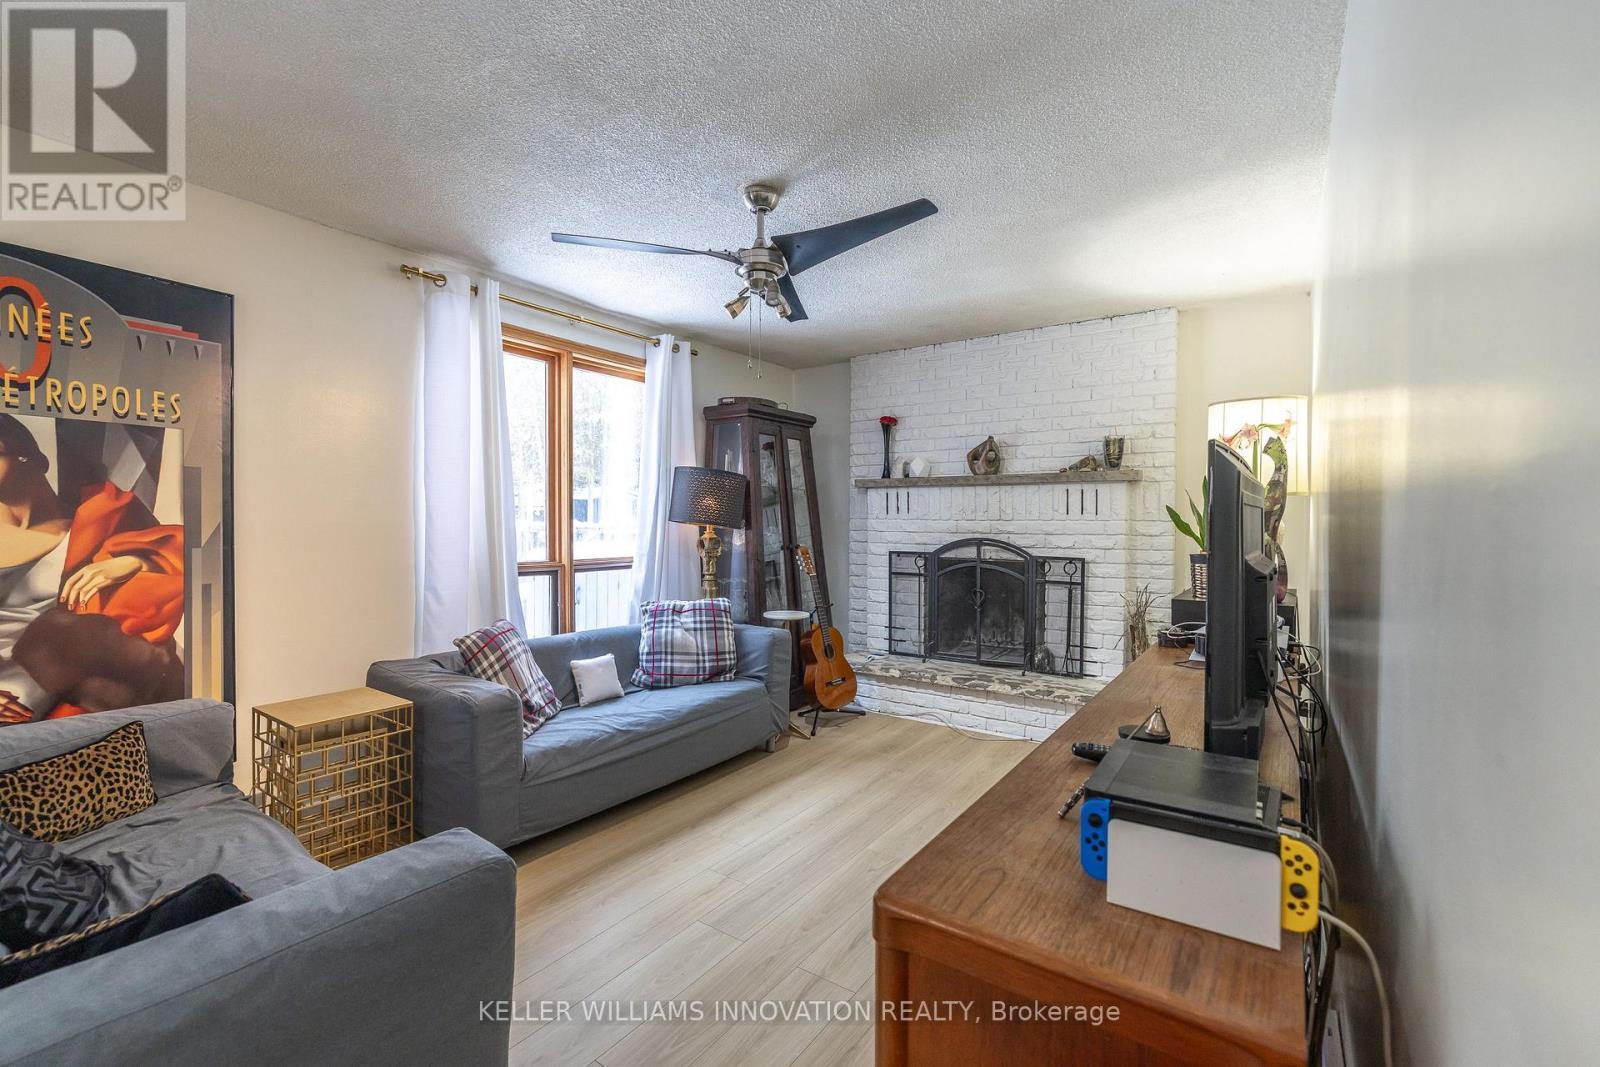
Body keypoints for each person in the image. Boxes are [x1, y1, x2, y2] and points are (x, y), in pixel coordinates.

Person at [0, 415, 184, 724]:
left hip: (87, 706)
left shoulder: (104, 512)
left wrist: (137, 561)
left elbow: (179, 561)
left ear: (24, 453)